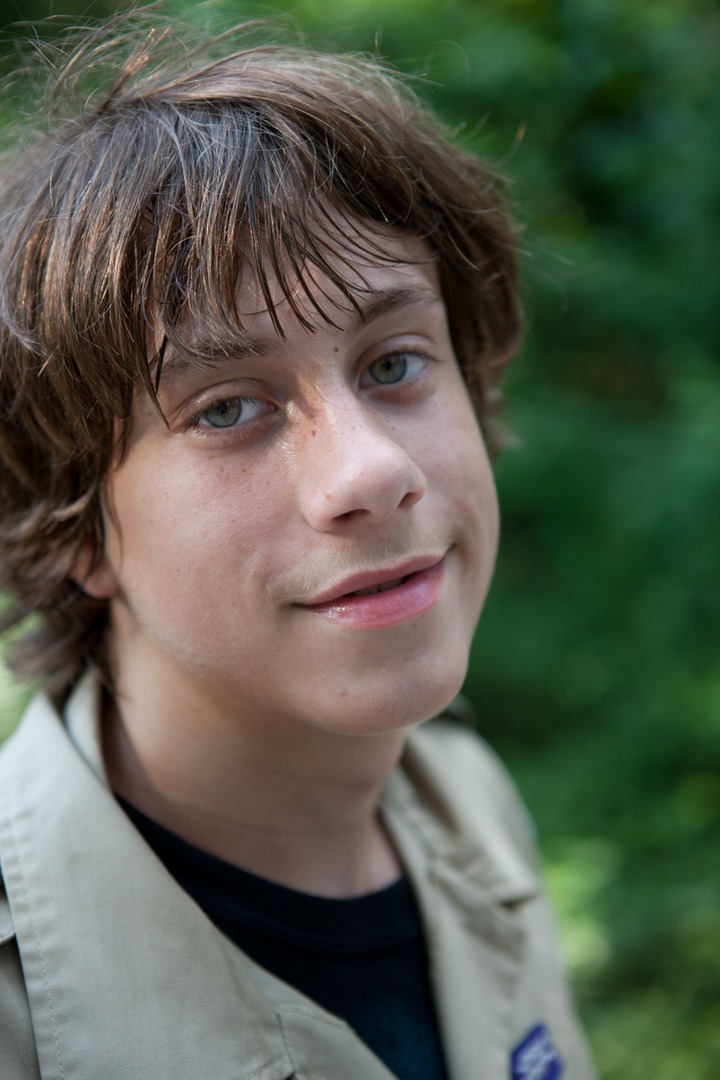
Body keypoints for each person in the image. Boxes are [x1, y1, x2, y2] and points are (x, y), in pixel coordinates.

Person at [0, 18, 596, 1080]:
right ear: (68, 519)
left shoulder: (467, 805)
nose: (368, 471)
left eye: (393, 363)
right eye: (229, 409)